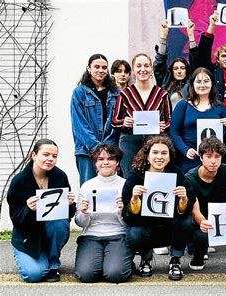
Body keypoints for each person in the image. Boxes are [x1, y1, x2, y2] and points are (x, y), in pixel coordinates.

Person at [121, 136, 195, 280]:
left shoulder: (177, 174)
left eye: (163, 153)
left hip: (170, 228)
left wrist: (184, 199)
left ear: (169, 157)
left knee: (187, 222)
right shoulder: (135, 176)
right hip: (145, 228)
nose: (159, 157)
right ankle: (146, 258)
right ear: (147, 156)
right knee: (134, 232)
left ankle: (175, 260)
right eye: (155, 152)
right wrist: (134, 199)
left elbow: (187, 208)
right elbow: (126, 216)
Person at [7, 139, 76, 282]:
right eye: (46, 154)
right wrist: (28, 209)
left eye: (54, 156)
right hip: (28, 237)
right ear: (34, 155)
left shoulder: (59, 176)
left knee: (60, 221)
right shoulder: (19, 181)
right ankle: (29, 254)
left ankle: (53, 264)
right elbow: (16, 219)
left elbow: (68, 215)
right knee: (34, 275)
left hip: (51, 231)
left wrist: (70, 204)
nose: (50, 159)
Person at [184, 137, 226, 278]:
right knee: (198, 232)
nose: (213, 161)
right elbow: (195, 210)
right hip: (201, 217)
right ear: (201, 157)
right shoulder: (190, 177)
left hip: (221, 216)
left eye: (217, 156)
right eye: (208, 156)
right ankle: (198, 255)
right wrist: (202, 221)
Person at [74, 144, 133, 283]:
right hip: (91, 235)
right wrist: (84, 213)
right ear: (95, 163)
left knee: (115, 275)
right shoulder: (87, 186)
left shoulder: (125, 185)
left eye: (110, 158)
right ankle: (106, 261)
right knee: (86, 275)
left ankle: (119, 262)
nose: (105, 162)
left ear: (117, 162)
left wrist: (121, 211)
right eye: (100, 159)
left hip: (118, 234)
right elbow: (80, 222)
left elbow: (129, 222)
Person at [111, 53, 171, 178]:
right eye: (138, 66)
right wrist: (124, 122)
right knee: (130, 177)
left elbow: (169, 120)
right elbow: (114, 121)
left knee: (154, 176)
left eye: (146, 66)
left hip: (154, 141)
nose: (143, 69)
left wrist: (163, 126)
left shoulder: (162, 94)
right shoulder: (124, 94)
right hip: (129, 141)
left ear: (151, 69)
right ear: (133, 70)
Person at [169, 67, 226, 173]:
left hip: (214, 161)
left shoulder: (220, 107)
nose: (202, 85)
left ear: (212, 83)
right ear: (193, 84)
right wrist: (185, 150)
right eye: (198, 81)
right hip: (189, 159)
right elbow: (174, 133)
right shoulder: (183, 105)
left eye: (206, 81)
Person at [71, 54, 121, 185]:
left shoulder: (116, 93)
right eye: (96, 67)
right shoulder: (80, 93)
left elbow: (118, 121)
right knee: (88, 188)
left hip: (111, 150)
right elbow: (79, 125)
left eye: (104, 67)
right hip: (86, 150)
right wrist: (97, 148)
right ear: (89, 68)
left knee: (111, 188)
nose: (101, 70)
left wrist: (107, 148)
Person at [153, 20, 197, 109]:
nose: (179, 71)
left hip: (187, 120)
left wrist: (191, 35)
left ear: (186, 70)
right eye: (176, 68)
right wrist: (164, 36)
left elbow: (195, 60)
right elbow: (159, 62)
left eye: (182, 68)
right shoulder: (165, 81)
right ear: (171, 71)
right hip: (168, 121)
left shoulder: (193, 82)